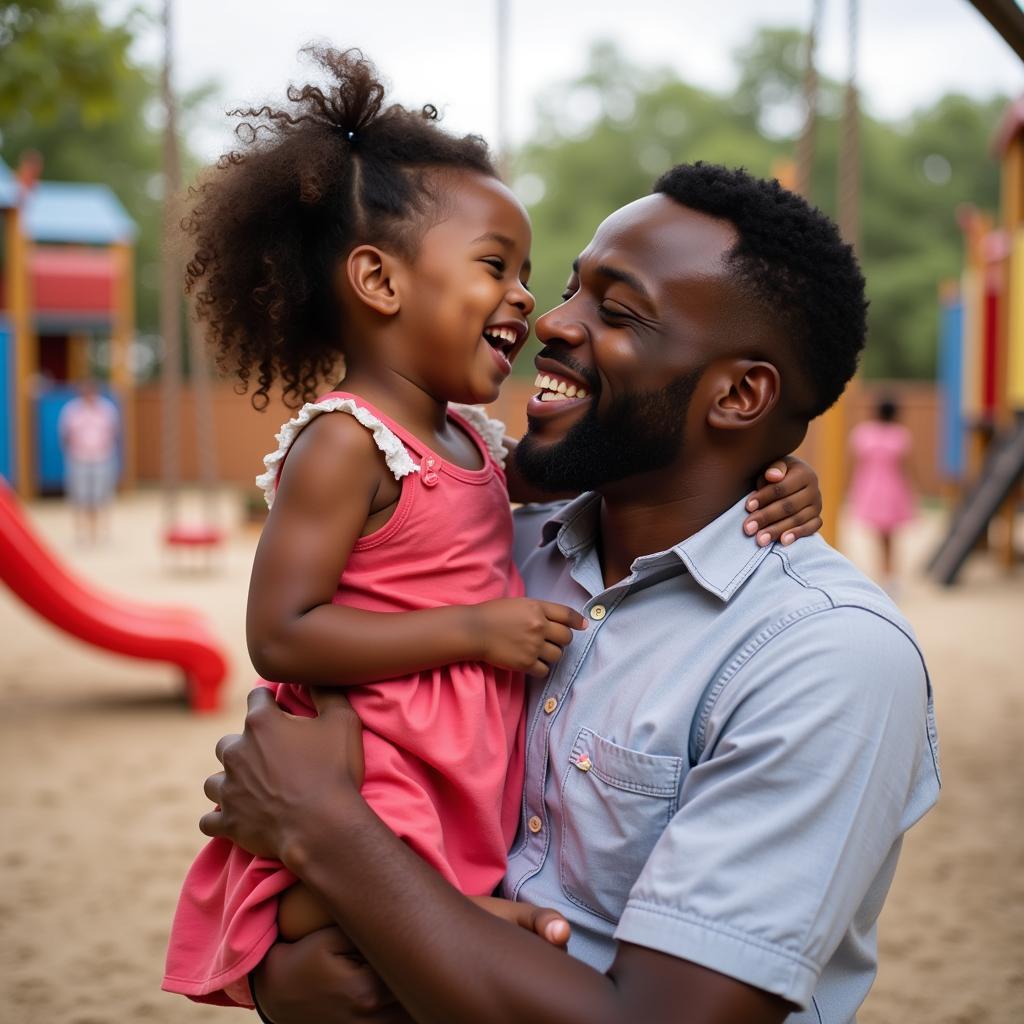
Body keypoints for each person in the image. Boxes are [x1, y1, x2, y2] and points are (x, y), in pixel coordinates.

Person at [200, 162, 940, 1024]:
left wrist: (327, 834)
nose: (548, 320)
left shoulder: (823, 658)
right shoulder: (499, 551)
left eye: (616, 311)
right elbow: (299, 709)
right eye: (565, 288)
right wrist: (280, 979)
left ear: (740, 395)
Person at [848, 397, 915, 591]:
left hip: (871, 490)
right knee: (891, 537)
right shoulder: (900, 435)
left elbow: (854, 463)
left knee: (879, 536)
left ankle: (884, 573)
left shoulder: (863, 433)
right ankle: (890, 574)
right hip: (894, 489)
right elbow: (907, 466)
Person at [57, 379, 120, 543]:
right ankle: (81, 531)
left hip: (102, 457)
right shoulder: (71, 410)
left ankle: (99, 531)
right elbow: (64, 435)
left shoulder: (107, 409)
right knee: (80, 495)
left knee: (101, 495)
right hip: (78, 457)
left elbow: (114, 433)